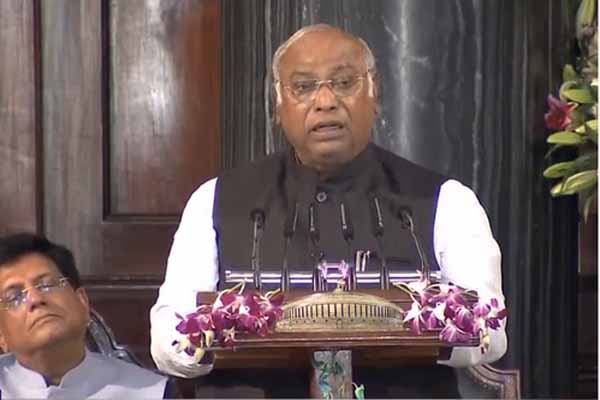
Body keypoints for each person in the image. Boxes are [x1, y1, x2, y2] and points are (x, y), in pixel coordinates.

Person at [150, 23, 507, 390]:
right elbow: (167, 340)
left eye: (344, 82)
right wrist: (222, 334)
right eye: (304, 87)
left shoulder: (446, 200)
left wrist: (404, 330)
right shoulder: (215, 200)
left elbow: (491, 332)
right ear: (278, 104)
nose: (325, 101)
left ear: (374, 93)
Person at [0, 233, 170, 399]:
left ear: (82, 301)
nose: (36, 299)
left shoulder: (151, 392)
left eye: (47, 285)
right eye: (14, 297)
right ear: (1, 335)